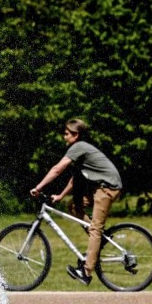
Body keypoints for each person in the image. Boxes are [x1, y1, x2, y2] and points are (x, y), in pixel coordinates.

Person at [30, 118, 122, 285]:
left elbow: (57, 169)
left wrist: (39, 186)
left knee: (95, 228)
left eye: (66, 134)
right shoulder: (80, 150)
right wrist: (61, 196)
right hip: (102, 187)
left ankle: (86, 272)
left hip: (107, 188)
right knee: (73, 206)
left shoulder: (78, 147)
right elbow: (74, 179)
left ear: (76, 134)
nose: (64, 137)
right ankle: (99, 239)